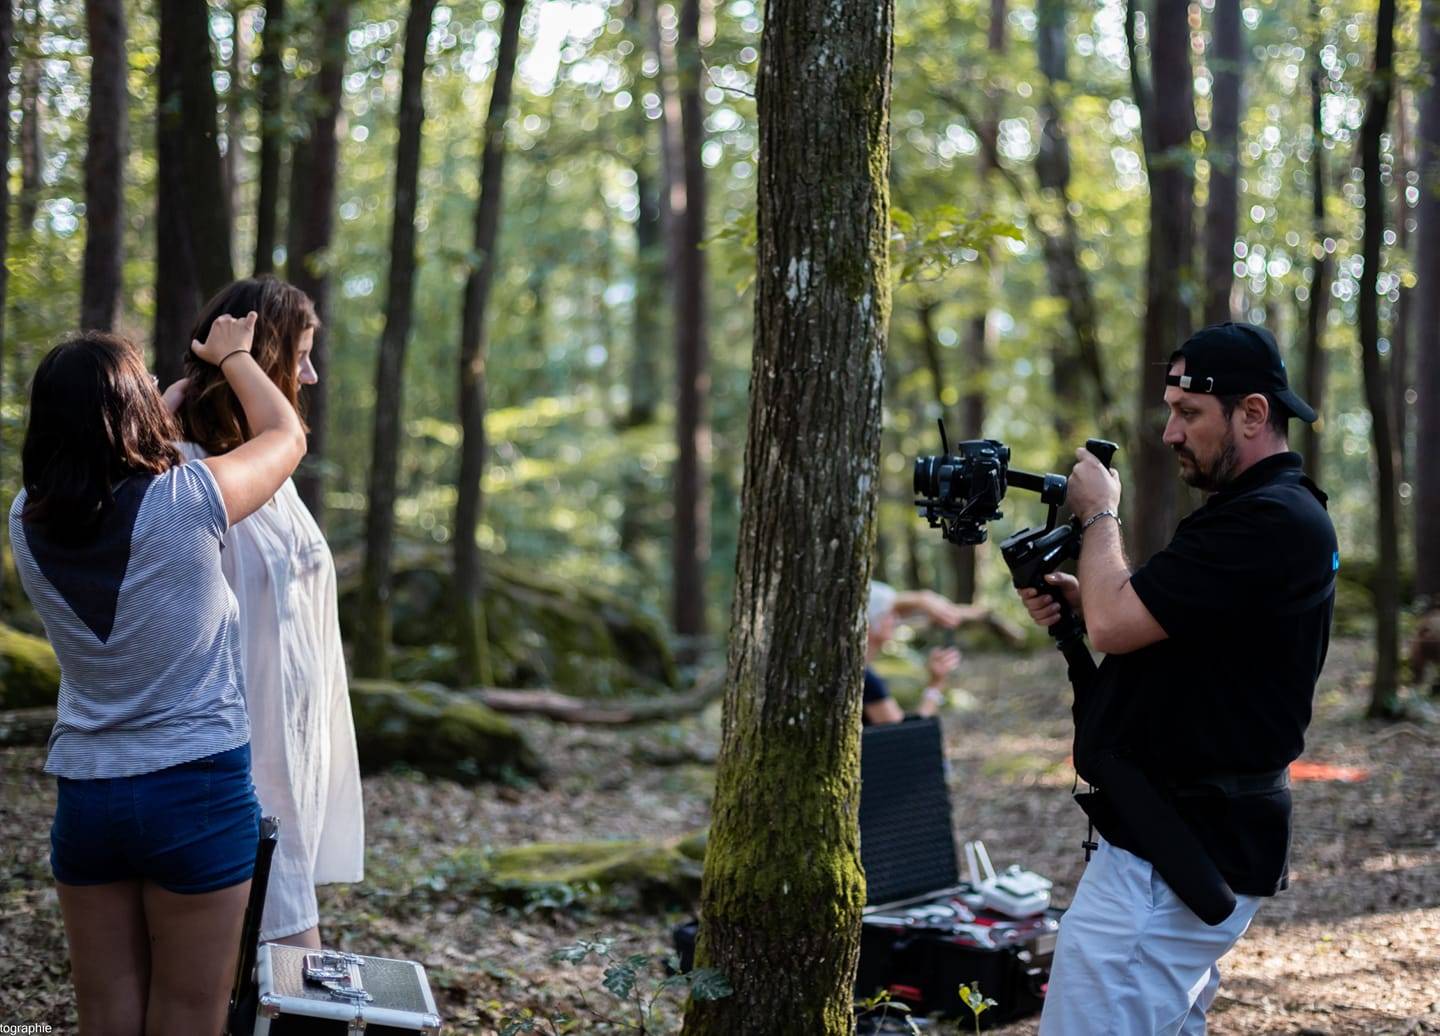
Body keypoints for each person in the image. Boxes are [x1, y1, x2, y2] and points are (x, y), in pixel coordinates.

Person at [1017, 322, 1337, 1035]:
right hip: (1178, 843)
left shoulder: (1270, 520)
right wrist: (1085, 598)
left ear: (1252, 413)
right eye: (1170, 411)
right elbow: (1152, 621)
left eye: (1188, 413)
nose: (1169, 433)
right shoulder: (1257, 517)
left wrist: (1099, 511)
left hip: (1169, 860)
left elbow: (1117, 625)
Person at [9, 317, 306, 1034]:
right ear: (131, 413)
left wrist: (151, 409)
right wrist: (235, 356)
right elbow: (285, 437)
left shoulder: (26, 520)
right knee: (187, 1014)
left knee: (106, 1015)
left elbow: (107, 473)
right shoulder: (190, 499)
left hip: (88, 795)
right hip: (194, 788)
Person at [166, 276, 364, 950]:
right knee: (275, 965)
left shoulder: (262, 469)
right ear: (262, 357)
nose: (308, 375)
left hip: (290, 749)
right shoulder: (184, 474)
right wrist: (214, 368)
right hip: (230, 761)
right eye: (300, 355)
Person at [863, 580, 965, 725]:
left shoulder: (848, 671)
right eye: (890, 614)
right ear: (869, 621)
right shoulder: (866, 680)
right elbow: (907, 739)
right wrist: (935, 686)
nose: (896, 619)